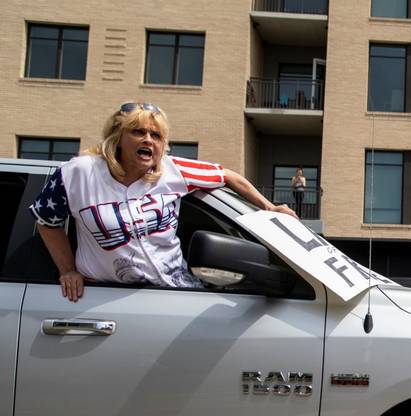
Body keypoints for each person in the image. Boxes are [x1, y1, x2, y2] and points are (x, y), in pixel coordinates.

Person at [30, 102, 297, 302]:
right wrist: (67, 270)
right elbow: (46, 222)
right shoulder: (77, 173)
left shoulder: (174, 170)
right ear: (117, 137)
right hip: (105, 297)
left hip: (175, 290)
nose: (148, 139)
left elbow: (227, 176)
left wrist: (269, 208)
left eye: (156, 135)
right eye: (138, 132)